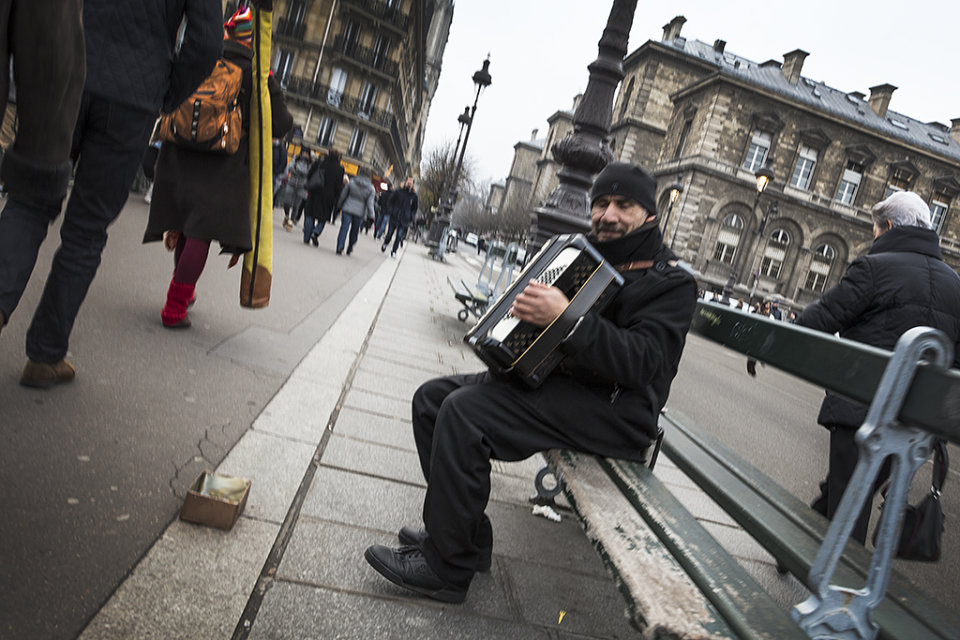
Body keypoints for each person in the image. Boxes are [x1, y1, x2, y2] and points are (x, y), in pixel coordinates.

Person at [363, 162, 698, 603]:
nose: (608, 215)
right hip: (563, 387)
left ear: (649, 214)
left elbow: (644, 364)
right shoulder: (586, 256)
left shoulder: (672, 281)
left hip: (618, 414)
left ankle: (447, 568)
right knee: (432, 399)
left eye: (624, 205)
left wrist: (566, 318)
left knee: (466, 414)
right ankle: (465, 537)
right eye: (600, 203)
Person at [0, 0, 222, 388]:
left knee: (29, 200)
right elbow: (205, 42)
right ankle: (45, 355)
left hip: (64, 67)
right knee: (86, 231)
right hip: (132, 97)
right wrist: (165, 92)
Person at [797, 191, 960, 544]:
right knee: (850, 488)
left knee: (849, 502)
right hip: (914, 424)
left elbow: (818, 320)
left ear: (887, 226)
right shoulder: (955, 285)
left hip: (862, 410)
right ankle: (792, 548)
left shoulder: (874, 268)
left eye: (875, 230)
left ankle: (840, 574)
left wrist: (770, 344)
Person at [142, 6, 293, 329]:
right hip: (222, 166)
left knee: (186, 228)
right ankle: (174, 307)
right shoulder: (256, 72)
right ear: (255, 41)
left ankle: (184, 290)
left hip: (180, 155)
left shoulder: (204, 52)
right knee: (200, 234)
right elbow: (280, 124)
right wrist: (270, 82)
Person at [303, 148, 344, 245]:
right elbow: (339, 186)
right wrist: (336, 197)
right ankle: (316, 232)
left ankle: (306, 237)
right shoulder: (340, 169)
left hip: (315, 191)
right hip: (328, 196)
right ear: (338, 157)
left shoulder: (319, 163)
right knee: (323, 217)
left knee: (310, 214)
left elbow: (309, 175)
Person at [335, 167, 375, 256]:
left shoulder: (352, 182)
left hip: (347, 207)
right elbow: (370, 204)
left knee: (344, 228)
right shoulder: (371, 188)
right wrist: (371, 216)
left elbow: (343, 195)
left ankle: (340, 246)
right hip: (359, 212)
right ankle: (350, 246)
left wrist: (339, 205)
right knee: (355, 230)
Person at [381, 176, 418, 258]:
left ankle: (394, 251)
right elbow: (390, 201)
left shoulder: (414, 196)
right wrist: (391, 210)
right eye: (408, 182)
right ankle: (386, 243)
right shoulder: (398, 191)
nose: (409, 183)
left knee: (399, 236)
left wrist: (411, 216)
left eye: (411, 182)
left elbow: (414, 208)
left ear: (413, 184)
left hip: (404, 219)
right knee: (389, 233)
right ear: (405, 182)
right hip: (395, 216)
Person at [281, 146, 311, 231]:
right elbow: (290, 167)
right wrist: (299, 171)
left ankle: (290, 222)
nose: (304, 154)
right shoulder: (296, 158)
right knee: (286, 201)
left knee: (296, 205)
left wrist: (298, 169)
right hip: (291, 183)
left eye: (306, 153)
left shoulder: (310, 163)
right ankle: (287, 216)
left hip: (302, 186)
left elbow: (308, 173)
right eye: (303, 152)